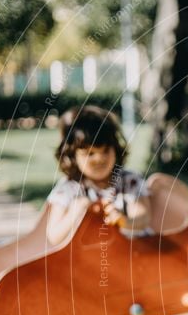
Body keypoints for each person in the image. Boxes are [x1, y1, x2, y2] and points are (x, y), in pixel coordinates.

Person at [46, 105, 151, 245]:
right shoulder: (68, 189)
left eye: (106, 150)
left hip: (135, 257)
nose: (99, 159)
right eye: (90, 153)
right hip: (92, 263)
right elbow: (53, 237)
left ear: (116, 149)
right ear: (72, 156)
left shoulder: (128, 181)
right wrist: (75, 211)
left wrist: (123, 221)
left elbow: (143, 218)